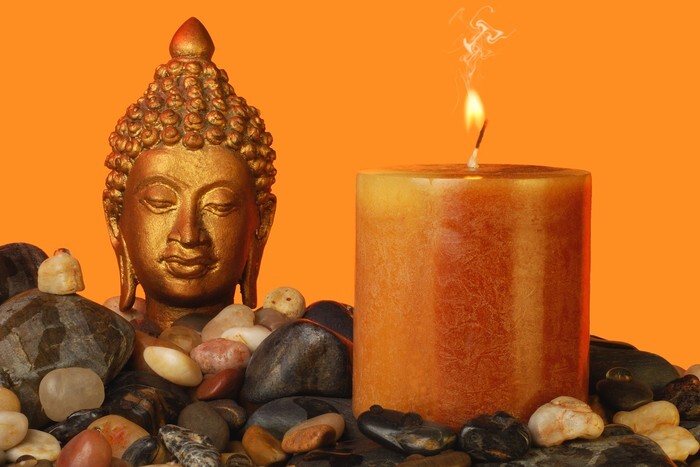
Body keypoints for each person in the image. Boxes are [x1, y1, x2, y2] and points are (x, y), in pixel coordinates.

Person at [102, 18, 276, 329]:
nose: (189, 235)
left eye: (219, 206)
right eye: (160, 202)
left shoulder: (284, 350)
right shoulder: (97, 344)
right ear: (116, 221)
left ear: (261, 224)